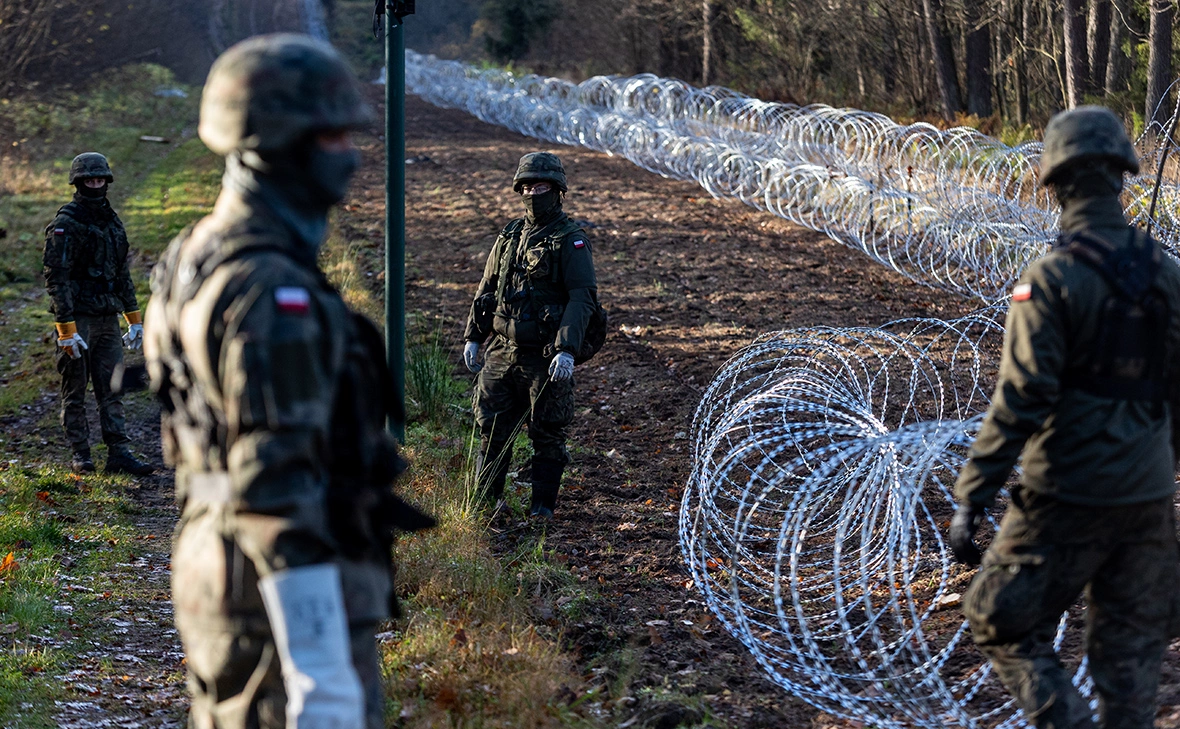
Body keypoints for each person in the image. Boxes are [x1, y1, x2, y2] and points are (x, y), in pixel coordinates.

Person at [144, 34, 431, 729]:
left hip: (225, 566)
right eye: (329, 135)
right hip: (280, 593)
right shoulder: (270, 291)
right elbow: (275, 484)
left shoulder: (195, 252)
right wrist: (318, 663)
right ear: (277, 142)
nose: (350, 153)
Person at [950, 106, 1180, 729]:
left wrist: (973, 494)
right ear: (1121, 177)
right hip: (1148, 497)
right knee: (1131, 659)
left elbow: (1022, 396)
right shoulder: (1168, 274)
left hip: (1066, 493)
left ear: (1054, 183)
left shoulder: (1050, 278)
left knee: (996, 616)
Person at [463, 152, 599, 518]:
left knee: (548, 433)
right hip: (503, 351)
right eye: (526, 186)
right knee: (491, 429)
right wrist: (474, 336)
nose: (532, 193)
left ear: (557, 190)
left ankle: (542, 510)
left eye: (540, 186)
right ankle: (487, 504)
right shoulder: (509, 236)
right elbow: (488, 287)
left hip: (545, 356)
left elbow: (581, 297)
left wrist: (566, 349)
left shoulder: (571, 241)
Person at [42, 152, 153, 476]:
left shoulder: (112, 221)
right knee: (74, 390)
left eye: (100, 178)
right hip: (79, 320)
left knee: (112, 388)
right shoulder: (66, 224)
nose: (95, 183)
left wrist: (134, 320)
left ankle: (119, 453)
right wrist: (66, 329)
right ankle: (81, 455)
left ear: (107, 180)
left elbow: (121, 274)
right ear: (78, 182)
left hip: (107, 317)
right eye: (89, 179)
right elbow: (56, 278)